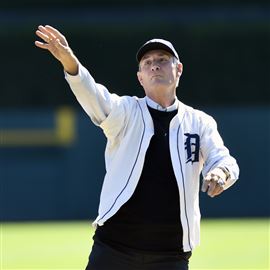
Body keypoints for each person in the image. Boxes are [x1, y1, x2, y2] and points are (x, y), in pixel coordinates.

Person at [35, 25, 239, 270]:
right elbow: (93, 95)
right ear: (140, 77)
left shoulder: (199, 122)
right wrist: (70, 62)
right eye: (147, 62)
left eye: (163, 60)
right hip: (114, 248)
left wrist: (221, 174)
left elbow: (224, 159)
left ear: (179, 69)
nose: (154, 66)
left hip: (170, 254)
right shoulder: (126, 112)